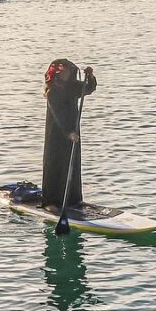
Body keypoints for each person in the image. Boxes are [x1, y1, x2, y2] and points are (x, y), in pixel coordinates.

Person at [41, 59, 96, 211]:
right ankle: (50, 201)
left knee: (72, 165)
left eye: (68, 72)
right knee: (55, 165)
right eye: (63, 72)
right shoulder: (52, 92)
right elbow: (58, 115)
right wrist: (68, 132)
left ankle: (73, 200)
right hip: (57, 134)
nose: (66, 74)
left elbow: (89, 88)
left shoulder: (72, 88)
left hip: (73, 133)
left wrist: (90, 76)